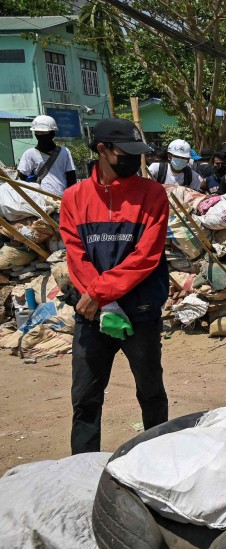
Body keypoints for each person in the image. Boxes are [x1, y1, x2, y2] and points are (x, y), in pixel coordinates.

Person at [60, 118, 170, 454]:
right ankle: (82, 468)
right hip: (91, 315)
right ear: (102, 150)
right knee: (85, 399)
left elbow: (146, 256)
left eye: (138, 153)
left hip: (140, 312)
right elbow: (76, 256)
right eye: (126, 153)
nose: (134, 160)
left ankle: (159, 460)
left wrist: (99, 294)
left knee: (151, 393)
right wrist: (101, 302)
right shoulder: (74, 197)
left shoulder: (152, 194)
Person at [17, 115, 75, 194]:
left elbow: (71, 177)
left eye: (43, 132)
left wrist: (72, 196)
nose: (40, 135)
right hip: (40, 198)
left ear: (52, 133)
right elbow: (21, 179)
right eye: (37, 132)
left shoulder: (64, 152)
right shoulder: (29, 154)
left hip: (62, 197)